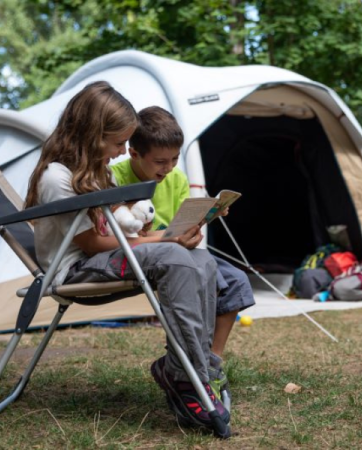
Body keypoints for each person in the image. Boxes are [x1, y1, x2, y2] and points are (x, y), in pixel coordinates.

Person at [24, 81, 229, 430]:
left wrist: (174, 235)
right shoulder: (58, 177)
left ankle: (191, 368)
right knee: (175, 258)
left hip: (105, 258)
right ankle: (187, 379)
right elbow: (94, 245)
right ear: (92, 133)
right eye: (118, 142)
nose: (121, 152)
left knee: (202, 259)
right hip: (76, 269)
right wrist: (167, 244)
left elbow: (124, 233)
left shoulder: (95, 172)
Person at [111, 106, 256, 398]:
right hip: (149, 254)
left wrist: (200, 223)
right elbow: (129, 234)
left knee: (236, 280)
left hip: (175, 247)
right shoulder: (113, 177)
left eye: (175, 159)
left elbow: (181, 224)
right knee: (193, 273)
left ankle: (211, 361)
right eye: (160, 161)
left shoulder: (175, 178)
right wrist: (174, 239)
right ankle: (189, 368)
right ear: (133, 153)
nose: (168, 168)